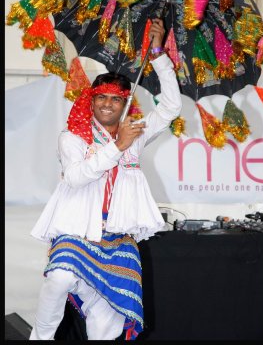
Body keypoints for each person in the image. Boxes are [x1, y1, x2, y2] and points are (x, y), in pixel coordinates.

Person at [29, 18, 182, 340]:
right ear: (92, 100)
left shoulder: (135, 133)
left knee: (106, 318)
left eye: (116, 99)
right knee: (58, 278)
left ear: (126, 103)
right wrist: (118, 145)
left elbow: (170, 107)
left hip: (117, 236)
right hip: (77, 231)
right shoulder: (74, 137)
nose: (108, 104)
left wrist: (157, 54)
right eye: (102, 98)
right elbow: (76, 177)